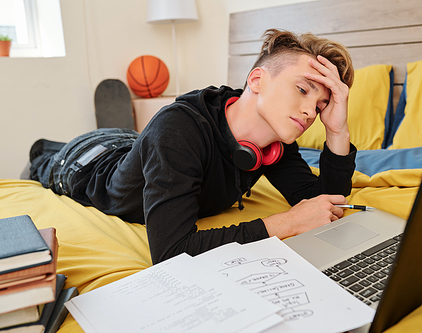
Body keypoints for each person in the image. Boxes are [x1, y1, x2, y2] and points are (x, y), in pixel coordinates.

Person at [29, 28, 357, 264]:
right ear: (257, 80)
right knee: (47, 158)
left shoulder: (275, 143)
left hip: (139, 146)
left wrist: (337, 131)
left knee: (139, 145)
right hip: (87, 162)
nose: (309, 112)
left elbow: (324, 205)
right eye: (303, 89)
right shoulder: (179, 129)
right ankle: (43, 150)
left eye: (320, 105)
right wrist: (285, 223)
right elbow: (171, 251)